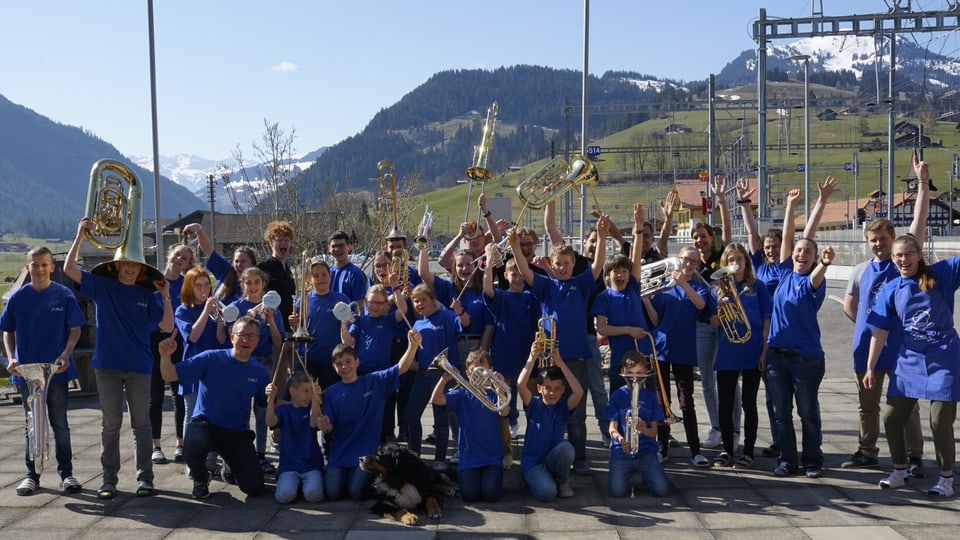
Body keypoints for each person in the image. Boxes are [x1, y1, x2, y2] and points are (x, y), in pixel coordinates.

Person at [64, 217, 173, 499]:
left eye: (135, 264)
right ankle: (108, 480)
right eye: (126, 262)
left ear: (141, 269)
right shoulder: (102, 285)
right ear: (116, 264)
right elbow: (68, 268)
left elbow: (167, 327)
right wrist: (80, 235)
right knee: (110, 426)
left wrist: (166, 295)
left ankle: (145, 479)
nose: (130, 268)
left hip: (139, 367)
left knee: (142, 425)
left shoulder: (148, 295)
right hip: (107, 367)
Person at [841, 154, 929, 477]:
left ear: (894, 240)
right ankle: (867, 451)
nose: (878, 243)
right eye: (873, 239)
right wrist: (870, 327)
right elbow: (851, 306)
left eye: (884, 239)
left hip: (902, 348)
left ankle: (915, 455)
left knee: (907, 405)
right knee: (867, 405)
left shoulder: (903, 265)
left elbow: (918, 224)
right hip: (867, 348)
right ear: (868, 242)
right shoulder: (860, 270)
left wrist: (921, 184)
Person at [865, 233, 960, 497]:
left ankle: (946, 478)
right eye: (898, 255)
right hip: (910, 360)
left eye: (908, 254)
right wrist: (871, 366)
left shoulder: (941, 274)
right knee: (891, 417)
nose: (903, 259)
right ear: (893, 259)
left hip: (944, 358)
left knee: (940, 421)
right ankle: (899, 471)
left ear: (919, 254)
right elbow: (879, 331)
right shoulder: (891, 289)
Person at [517, 210, 608, 476]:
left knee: (577, 413)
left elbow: (598, 265)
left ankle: (579, 459)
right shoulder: (545, 285)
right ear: (552, 263)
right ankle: (547, 456)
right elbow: (525, 270)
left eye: (567, 262)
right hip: (548, 359)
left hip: (575, 358)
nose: (563, 266)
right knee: (546, 409)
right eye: (559, 263)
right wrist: (514, 247)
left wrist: (602, 237)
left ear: (572, 263)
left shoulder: (580, 284)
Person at [2, 246, 85, 496]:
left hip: (55, 373)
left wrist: (66, 354)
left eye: (44, 265)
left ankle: (67, 474)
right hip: (26, 372)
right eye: (34, 265)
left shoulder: (64, 295)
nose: (39, 269)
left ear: (52, 267)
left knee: (60, 424)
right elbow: (7, 330)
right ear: (27, 268)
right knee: (31, 424)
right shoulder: (18, 297)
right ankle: (32, 475)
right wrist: (11, 357)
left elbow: (75, 329)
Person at [158, 315, 269, 499]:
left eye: (251, 336)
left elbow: (265, 405)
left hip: (236, 433)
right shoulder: (210, 358)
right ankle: (201, 479)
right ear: (232, 337)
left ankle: (229, 468)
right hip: (206, 425)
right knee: (192, 448)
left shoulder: (259, 372)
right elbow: (169, 375)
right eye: (241, 334)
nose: (245, 340)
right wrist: (165, 357)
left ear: (257, 340)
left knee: (255, 487)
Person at [320, 335, 419, 500]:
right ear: (334, 367)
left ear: (357, 361)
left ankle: (368, 478)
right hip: (340, 453)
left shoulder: (375, 381)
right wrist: (324, 425)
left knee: (356, 493)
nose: (344, 366)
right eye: (339, 364)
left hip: (366, 453)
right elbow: (329, 427)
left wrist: (412, 346)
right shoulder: (331, 393)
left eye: (348, 361)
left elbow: (400, 368)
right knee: (333, 493)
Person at [646, 245, 712, 467]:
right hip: (661, 348)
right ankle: (662, 449)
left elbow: (701, 305)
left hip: (684, 349)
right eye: (686, 259)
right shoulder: (664, 287)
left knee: (687, 402)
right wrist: (645, 299)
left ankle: (695, 451)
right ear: (678, 259)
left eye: (694, 261)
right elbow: (656, 320)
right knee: (662, 402)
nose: (689, 264)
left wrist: (683, 282)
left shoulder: (699, 287)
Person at [710, 242, 771, 468]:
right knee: (725, 405)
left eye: (740, 259)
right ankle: (727, 449)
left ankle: (748, 451)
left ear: (746, 262)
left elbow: (766, 321)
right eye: (731, 260)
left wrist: (764, 352)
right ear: (725, 263)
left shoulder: (758, 287)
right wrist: (718, 307)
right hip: (727, 351)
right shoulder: (717, 288)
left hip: (752, 348)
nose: (736, 264)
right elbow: (714, 324)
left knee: (749, 403)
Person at [483, 236, 540, 460]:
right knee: (502, 410)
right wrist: (489, 262)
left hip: (529, 362)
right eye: (513, 273)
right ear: (506, 276)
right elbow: (488, 288)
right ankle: (505, 450)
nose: (517, 277)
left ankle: (535, 449)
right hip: (503, 360)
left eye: (520, 273)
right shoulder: (501, 296)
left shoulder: (532, 297)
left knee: (534, 409)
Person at [226, 267, 286, 473]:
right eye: (248, 283)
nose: (253, 287)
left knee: (262, 411)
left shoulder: (273, 308)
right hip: (241, 364)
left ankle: (261, 455)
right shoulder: (237, 306)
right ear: (242, 285)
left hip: (264, 363)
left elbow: (278, 343)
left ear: (263, 285)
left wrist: (270, 320)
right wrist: (249, 316)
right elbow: (229, 337)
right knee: (240, 411)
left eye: (256, 282)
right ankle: (241, 454)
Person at [431, 350, 508, 502]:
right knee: (469, 495)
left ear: (491, 370)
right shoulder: (461, 394)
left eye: (483, 370)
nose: (479, 375)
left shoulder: (494, 393)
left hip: (492, 457)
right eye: (475, 371)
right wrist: (444, 379)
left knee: (491, 495)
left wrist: (500, 389)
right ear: (467, 373)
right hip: (469, 458)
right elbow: (436, 400)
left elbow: (503, 412)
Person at [594, 203, 654, 394]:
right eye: (615, 272)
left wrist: (638, 227)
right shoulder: (603, 297)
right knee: (620, 407)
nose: (620, 275)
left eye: (624, 272)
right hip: (619, 360)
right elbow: (601, 328)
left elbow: (635, 257)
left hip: (643, 356)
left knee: (647, 403)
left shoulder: (633, 289)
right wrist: (628, 330)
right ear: (607, 276)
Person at [340, 283, 409, 442]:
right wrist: (344, 327)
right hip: (363, 373)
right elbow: (349, 342)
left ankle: (387, 438)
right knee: (365, 409)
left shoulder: (389, 320)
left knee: (386, 408)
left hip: (383, 373)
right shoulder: (360, 321)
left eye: (379, 303)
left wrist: (396, 288)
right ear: (365, 302)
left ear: (386, 305)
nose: (375, 306)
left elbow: (403, 309)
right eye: (371, 302)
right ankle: (367, 441)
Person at [517, 341, 583, 501]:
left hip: (553, 459)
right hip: (533, 463)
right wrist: (532, 357)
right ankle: (532, 481)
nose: (552, 393)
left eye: (557, 388)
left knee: (567, 447)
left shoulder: (563, 406)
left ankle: (561, 481)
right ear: (539, 388)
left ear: (563, 389)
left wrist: (560, 363)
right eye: (547, 388)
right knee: (548, 493)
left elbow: (579, 391)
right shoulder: (534, 404)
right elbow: (520, 384)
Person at [173, 266, 228, 457]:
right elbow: (193, 336)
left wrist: (221, 319)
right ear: (189, 287)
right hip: (193, 368)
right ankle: (192, 456)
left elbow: (221, 340)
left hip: (215, 368)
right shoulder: (182, 311)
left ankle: (212, 457)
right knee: (192, 415)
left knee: (214, 414)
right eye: (198, 286)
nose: (204, 290)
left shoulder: (213, 309)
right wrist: (206, 311)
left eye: (206, 285)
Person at [149, 243, 194, 465]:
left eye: (184, 258)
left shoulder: (187, 285)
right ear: (169, 254)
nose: (179, 260)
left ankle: (180, 443)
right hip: (153, 341)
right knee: (154, 396)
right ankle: (156, 445)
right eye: (177, 255)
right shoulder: (152, 282)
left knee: (179, 396)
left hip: (178, 344)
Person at [406, 284, 460, 470]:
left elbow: (462, 326)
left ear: (432, 299)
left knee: (441, 419)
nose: (419, 303)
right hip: (423, 374)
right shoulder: (416, 324)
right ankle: (414, 456)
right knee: (411, 415)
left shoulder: (446, 316)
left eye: (423, 299)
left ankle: (439, 459)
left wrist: (459, 312)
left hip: (444, 374)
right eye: (416, 300)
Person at [604, 351, 669, 498]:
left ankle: (648, 475)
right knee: (617, 491)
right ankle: (621, 470)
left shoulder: (651, 398)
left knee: (661, 490)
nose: (634, 377)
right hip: (622, 452)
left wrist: (644, 429)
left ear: (646, 372)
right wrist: (621, 440)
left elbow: (654, 433)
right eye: (630, 372)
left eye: (639, 372)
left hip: (646, 452)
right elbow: (612, 429)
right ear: (622, 372)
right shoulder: (617, 396)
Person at [289, 258, 349, 390]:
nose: (320, 278)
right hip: (307, 356)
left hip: (331, 359)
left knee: (329, 396)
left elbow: (350, 324)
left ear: (330, 276)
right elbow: (298, 327)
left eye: (324, 274)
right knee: (301, 396)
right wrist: (293, 323)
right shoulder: (302, 300)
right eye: (315, 276)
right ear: (310, 279)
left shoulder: (341, 299)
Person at [265, 372, 324, 504]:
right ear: (292, 391)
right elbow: (270, 422)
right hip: (289, 465)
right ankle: (293, 483)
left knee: (313, 495)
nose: (309, 395)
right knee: (284, 497)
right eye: (305, 391)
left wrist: (315, 399)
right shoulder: (284, 409)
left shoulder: (311, 408)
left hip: (311, 465)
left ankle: (302, 484)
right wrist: (270, 399)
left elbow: (313, 422)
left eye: (311, 391)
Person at [182, 222, 257, 305]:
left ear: (252, 264)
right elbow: (208, 250)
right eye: (236, 261)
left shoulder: (256, 282)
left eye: (243, 261)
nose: (239, 264)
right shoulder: (226, 270)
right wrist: (199, 230)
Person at [257, 220, 296, 332]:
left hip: (288, 327)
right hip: (272, 327)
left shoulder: (288, 270)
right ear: (271, 243)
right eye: (279, 240)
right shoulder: (263, 268)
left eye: (286, 240)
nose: (283, 243)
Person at [328, 230, 369, 310]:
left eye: (341, 246)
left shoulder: (356, 274)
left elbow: (359, 307)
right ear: (329, 248)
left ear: (349, 247)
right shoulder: (326, 273)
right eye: (334, 246)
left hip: (349, 321)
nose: (337, 249)